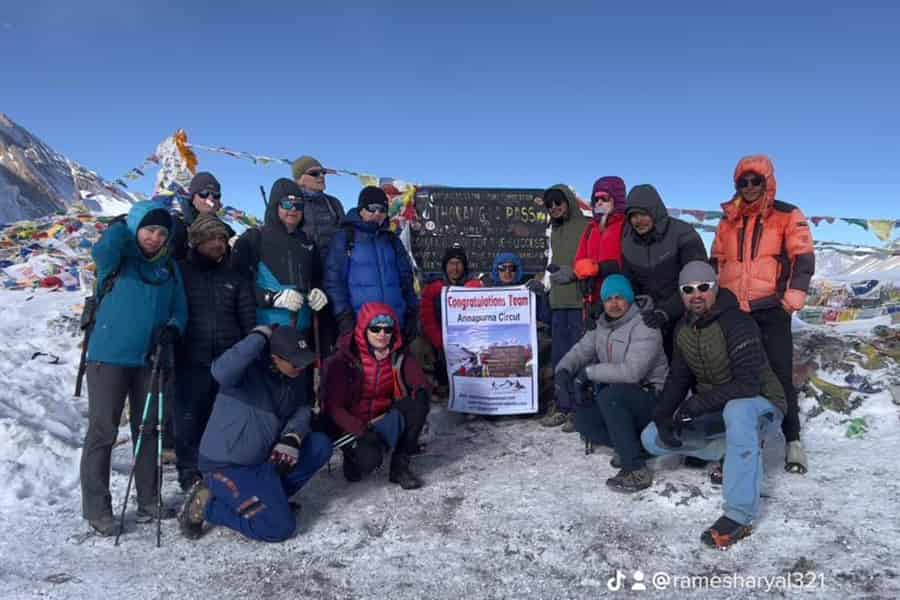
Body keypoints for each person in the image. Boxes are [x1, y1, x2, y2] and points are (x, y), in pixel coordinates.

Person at [640, 261, 787, 550]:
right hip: (718, 410)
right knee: (651, 437)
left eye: (704, 287)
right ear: (681, 295)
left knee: (738, 409)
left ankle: (739, 514)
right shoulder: (683, 329)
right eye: (688, 289)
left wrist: (695, 404)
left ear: (715, 288)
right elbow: (678, 379)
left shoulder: (738, 323)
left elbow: (748, 385)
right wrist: (662, 416)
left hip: (762, 405)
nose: (697, 294)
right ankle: (733, 452)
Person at [79, 200, 187, 536]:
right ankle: (97, 509)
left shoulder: (169, 267)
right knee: (103, 431)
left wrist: (173, 327)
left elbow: (179, 308)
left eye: (160, 232)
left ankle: (149, 500)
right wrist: (121, 227)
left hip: (149, 359)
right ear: (135, 228)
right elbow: (101, 253)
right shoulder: (119, 258)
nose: (155, 237)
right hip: (108, 357)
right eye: (148, 229)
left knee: (149, 431)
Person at [178, 325, 333, 543]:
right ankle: (210, 506)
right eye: (296, 361)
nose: (301, 366)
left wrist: (292, 437)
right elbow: (219, 370)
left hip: (260, 461)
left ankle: (270, 500)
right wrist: (259, 336)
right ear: (275, 357)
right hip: (228, 464)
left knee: (319, 445)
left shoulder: (293, 377)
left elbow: (302, 409)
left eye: (304, 360)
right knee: (279, 528)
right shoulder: (244, 372)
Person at [711, 155, 815, 475]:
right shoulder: (728, 220)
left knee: (780, 376)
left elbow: (803, 258)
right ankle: (743, 445)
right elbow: (717, 260)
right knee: (739, 379)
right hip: (735, 312)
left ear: (767, 182)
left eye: (756, 180)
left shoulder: (787, 214)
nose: (750, 187)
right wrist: (717, 300)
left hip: (771, 309)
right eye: (744, 182)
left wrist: (789, 301)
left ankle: (793, 442)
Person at [561, 275, 668, 492]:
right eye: (609, 299)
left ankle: (635, 468)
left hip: (653, 397)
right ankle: (631, 446)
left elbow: (632, 372)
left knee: (610, 396)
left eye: (620, 297)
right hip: (621, 398)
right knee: (582, 418)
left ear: (629, 299)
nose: (614, 303)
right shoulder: (602, 325)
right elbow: (581, 351)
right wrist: (563, 372)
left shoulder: (645, 324)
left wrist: (588, 373)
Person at [173, 214, 256, 491]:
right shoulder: (180, 272)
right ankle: (190, 473)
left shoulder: (236, 276)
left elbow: (247, 319)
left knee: (223, 418)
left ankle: (221, 470)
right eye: (211, 238)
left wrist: (248, 353)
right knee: (189, 418)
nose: (218, 243)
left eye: (222, 238)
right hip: (191, 359)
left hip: (228, 359)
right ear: (197, 241)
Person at [320, 303, 431, 489]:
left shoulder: (398, 355)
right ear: (364, 329)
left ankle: (400, 465)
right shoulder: (343, 359)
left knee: (418, 403)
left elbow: (417, 380)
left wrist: (420, 389)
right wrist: (362, 431)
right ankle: (352, 455)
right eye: (375, 328)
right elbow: (334, 408)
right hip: (353, 424)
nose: (382, 334)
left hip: (383, 419)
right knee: (369, 462)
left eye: (388, 329)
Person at [232, 178, 329, 337]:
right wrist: (272, 298)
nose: (293, 210)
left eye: (298, 205)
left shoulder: (309, 243)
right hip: (265, 332)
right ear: (275, 206)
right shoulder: (254, 238)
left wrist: (319, 292)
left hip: (304, 332)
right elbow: (238, 283)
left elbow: (317, 279)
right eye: (286, 204)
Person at [526, 185, 589, 429]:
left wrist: (575, 273)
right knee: (559, 358)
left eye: (558, 203)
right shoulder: (553, 230)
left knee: (579, 359)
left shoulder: (584, 227)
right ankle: (564, 406)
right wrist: (544, 285)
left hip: (578, 301)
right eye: (549, 205)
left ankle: (579, 410)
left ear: (569, 202)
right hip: (557, 303)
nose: (554, 208)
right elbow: (551, 262)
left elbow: (591, 260)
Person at [621, 184, 708, 361]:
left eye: (643, 214)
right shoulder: (629, 244)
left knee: (686, 364)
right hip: (652, 317)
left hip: (688, 312)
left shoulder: (682, 233)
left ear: (655, 212)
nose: (638, 221)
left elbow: (697, 279)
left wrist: (666, 311)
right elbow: (630, 283)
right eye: (633, 216)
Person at [324, 186, 418, 341]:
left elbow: (406, 280)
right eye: (372, 208)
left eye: (382, 209)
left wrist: (412, 312)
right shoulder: (346, 238)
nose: (377, 214)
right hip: (361, 326)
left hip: (394, 325)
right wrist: (344, 317)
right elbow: (334, 282)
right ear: (361, 209)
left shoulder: (392, 240)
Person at [292, 156, 346, 356]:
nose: (321, 176)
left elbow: (345, 237)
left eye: (323, 172)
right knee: (305, 343)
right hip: (305, 281)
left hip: (333, 279)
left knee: (333, 340)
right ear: (299, 178)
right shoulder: (293, 204)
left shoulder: (333, 204)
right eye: (314, 173)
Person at [420, 243, 483, 387]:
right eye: (451, 263)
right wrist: (441, 343)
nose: (455, 268)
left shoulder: (475, 287)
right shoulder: (433, 289)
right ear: (445, 266)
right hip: (441, 341)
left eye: (459, 263)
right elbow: (427, 319)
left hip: (469, 341)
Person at [573, 176, 627, 322]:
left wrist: (600, 268)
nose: (599, 202)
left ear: (617, 198)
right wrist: (579, 269)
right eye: (595, 199)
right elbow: (579, 258)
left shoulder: (626, 226)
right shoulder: (591, 228)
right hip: (593, 300)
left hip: (620, 299)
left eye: (604, 198)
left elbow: (630, 261)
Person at [169, 172, 234, 260]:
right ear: (192, 198)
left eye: (216, 195)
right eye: (204, 193)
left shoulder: (224, 232)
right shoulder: (177, 227)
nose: (210, 198)